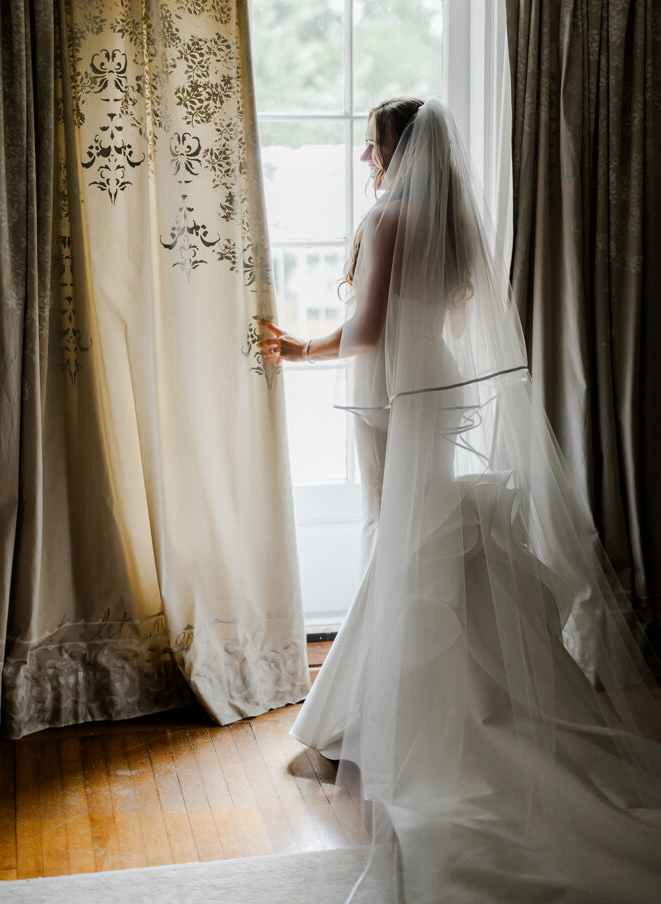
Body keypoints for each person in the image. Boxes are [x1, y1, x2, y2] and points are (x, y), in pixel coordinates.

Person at [260, 98, 661, 903]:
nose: (365, 159)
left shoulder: (386, 218)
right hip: (434, 385)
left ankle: (380, 712)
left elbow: (367, 328)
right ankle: (422, 695)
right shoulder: (449, 221)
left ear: (396, 148)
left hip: (392, 395)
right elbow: (440, 317)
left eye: (371, 144)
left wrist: (302, 346)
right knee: (422, 534)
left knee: (400, 537)